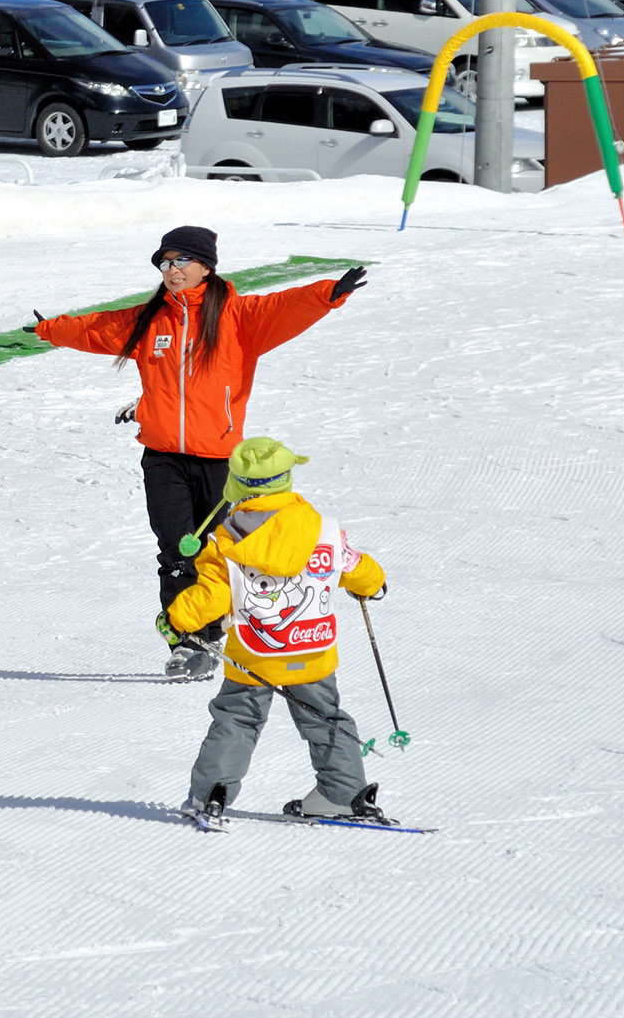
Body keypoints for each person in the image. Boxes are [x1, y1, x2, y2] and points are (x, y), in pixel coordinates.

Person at [29, 226, 367, 678]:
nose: (171, 270)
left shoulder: (237, 316)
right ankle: (189, 642)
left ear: (205, 266)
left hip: (218, 461)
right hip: (162, 457)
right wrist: (50, 329)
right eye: (165, 263)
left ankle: (223, 626)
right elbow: (97, 327)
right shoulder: (150, 320)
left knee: (217, 551)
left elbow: (283, 307)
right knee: (175, 550)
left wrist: (328, 294)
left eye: (180, 261)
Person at [170, 437, 390, 824]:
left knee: (237, 719)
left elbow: (213, 595)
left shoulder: (229, 539)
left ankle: (211, 794)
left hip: (255, 655)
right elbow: (353, 566)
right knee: (324, 716)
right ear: (286, 479)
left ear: (234, 485)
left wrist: (177, 619)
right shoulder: (321, 530)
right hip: (311, 649)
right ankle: (343, 792)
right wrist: (372, 584)